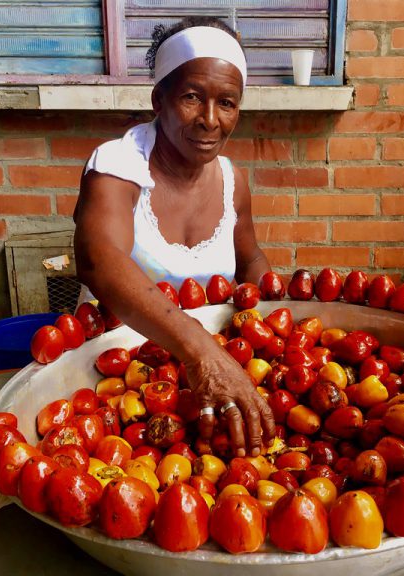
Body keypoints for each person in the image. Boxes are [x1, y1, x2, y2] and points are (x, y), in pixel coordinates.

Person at [73, 17, 276, 458]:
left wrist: (276, 331)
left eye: (227, 103)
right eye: (191, 98)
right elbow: (99, 261)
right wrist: (201, 352)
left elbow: (251, 259)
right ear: (158, 99)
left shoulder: (230, 180)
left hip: (209, 374)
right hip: (119, 387)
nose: (209, 120)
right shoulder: (116, 166)